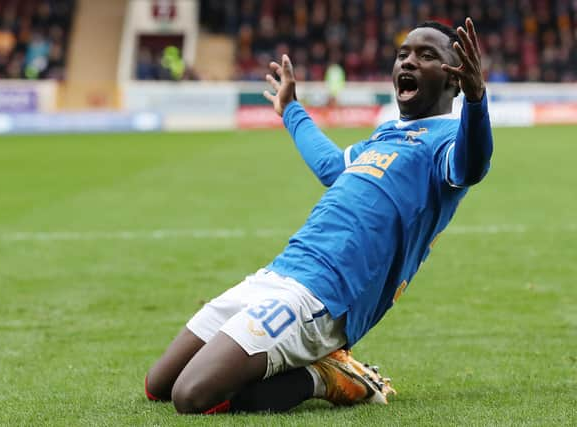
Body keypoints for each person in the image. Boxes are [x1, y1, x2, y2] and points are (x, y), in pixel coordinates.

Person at [144, 18, 493, 414]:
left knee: (192, 397)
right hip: (279, 273)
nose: (408, 62)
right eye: (403, 54)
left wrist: (477, 100)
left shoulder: (447, 141)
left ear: (454, 77)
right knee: (159, 386)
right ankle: (306, 362)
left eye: (427, 56)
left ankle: (325, 376)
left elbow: (472, 166)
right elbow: (331, 166)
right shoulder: (385, 135)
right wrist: (291, 109)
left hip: (323, 296)